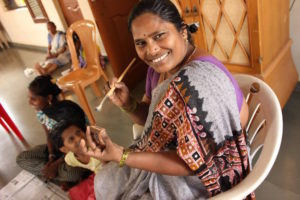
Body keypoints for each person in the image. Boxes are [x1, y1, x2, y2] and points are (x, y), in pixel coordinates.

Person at [80, 0, 251, 199]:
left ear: (183, 31)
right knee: (105, 181)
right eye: (141, 43)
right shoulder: (157, 71)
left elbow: (193, 162)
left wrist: (123, 156)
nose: (151, 50)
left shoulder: (197, 85)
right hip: (172, 152)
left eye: (159, 36)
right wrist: (128, 104)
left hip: (208, 169)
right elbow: (153, 119)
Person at [16, 75, 89, 189]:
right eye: (29, 98)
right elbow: (49, 136)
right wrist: (51, 156)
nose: (30, 102)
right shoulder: (42, 112)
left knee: (72, 173)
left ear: (49, 98)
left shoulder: (68, 112)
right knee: (22, 158)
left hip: (78, 150)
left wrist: (55, 164)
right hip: (58, 149)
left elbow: (80, 144)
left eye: (34, 98)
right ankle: (57, 175)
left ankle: (60, 175)